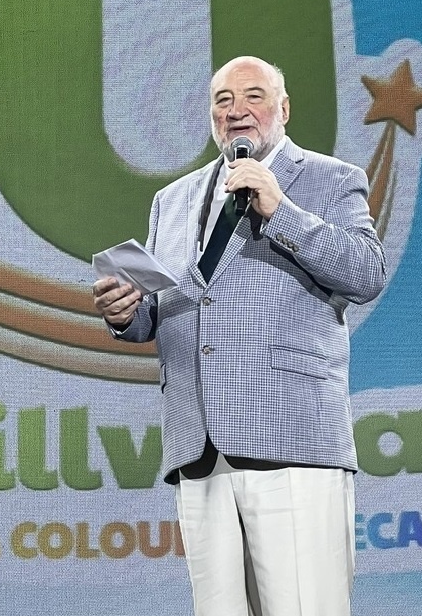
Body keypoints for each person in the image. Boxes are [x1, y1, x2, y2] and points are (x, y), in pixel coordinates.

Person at [93, 56, 386, 616]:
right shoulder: (173, 199)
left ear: (284, 108)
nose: (236, 111)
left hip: (291, 439)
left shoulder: (330, 178)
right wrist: (126, 313)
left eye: (253, 96)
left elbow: (366, 274)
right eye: (222, 100)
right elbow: (166, 306)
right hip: (200, 445)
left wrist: (281, 211)